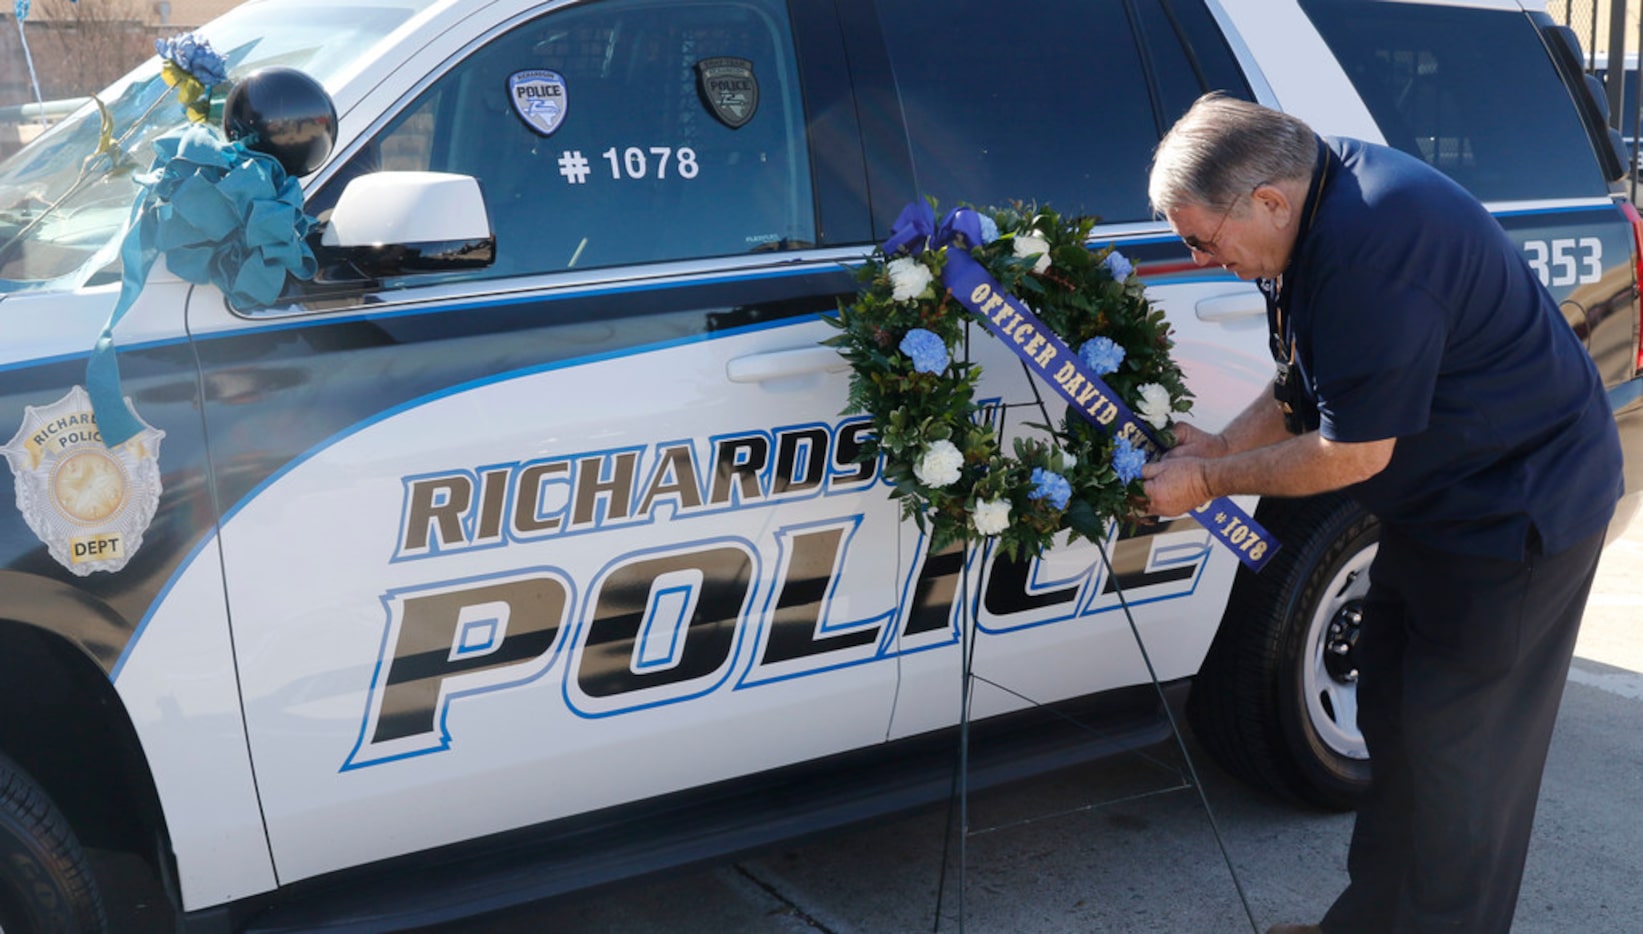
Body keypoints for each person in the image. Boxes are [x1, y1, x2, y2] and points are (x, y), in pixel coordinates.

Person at [1142, 94, 1624, 933]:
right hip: (1441, 511)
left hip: (1514, 517)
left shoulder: (1369, 252)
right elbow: (1305, 386)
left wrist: (1203, 486)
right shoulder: (1318, 203)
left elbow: (1351, 453)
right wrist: (1215, 449)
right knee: (1397, 724)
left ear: (1267, 201)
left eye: (1200, 239)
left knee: (1461, 771)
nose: (1198, 259)